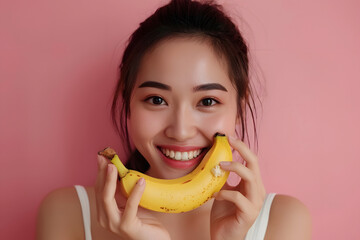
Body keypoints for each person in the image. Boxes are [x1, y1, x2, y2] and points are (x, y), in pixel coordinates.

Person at [36, 0, 312, 239]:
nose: (180, 131)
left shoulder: (282, 221)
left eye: (207, 101)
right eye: (157, 100)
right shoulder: (67, 213)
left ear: (238, 109)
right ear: (128, 101)